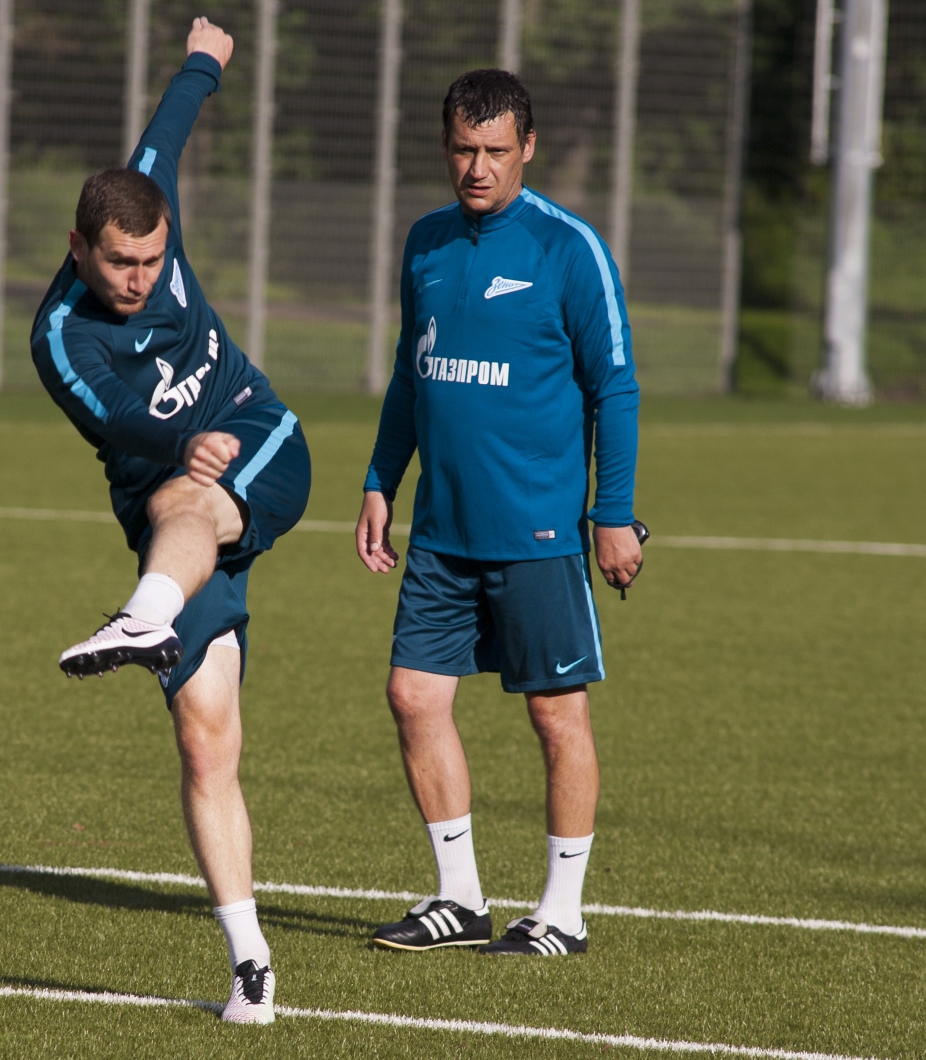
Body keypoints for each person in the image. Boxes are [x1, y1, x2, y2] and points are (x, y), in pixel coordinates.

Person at [30, 17, 310, 1022]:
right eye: (120, 262)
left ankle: (141, 614)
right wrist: (181, 442)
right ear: (78, 247)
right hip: (167, 504)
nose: (141, 277)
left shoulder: (148, 204)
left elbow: (165, 133)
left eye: (153, 259)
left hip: (260, 437)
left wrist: (204, 59)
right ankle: (250, 964)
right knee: (204, 738)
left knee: (190, 496)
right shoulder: (60, 338)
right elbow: (117, 421)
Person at [354, 69, 642, 957]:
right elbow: (412, 373)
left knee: (556, 716)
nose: (476, 168)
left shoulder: (569, 248)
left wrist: (613, 513)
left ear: (528, 148)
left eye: (494, 151)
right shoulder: (427, 242)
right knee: (412, 696)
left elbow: (615, 387)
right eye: (461, 150)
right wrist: (380, 478)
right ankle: (460, 899)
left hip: (537, 531)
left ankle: (563, 911)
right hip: (443, 530)